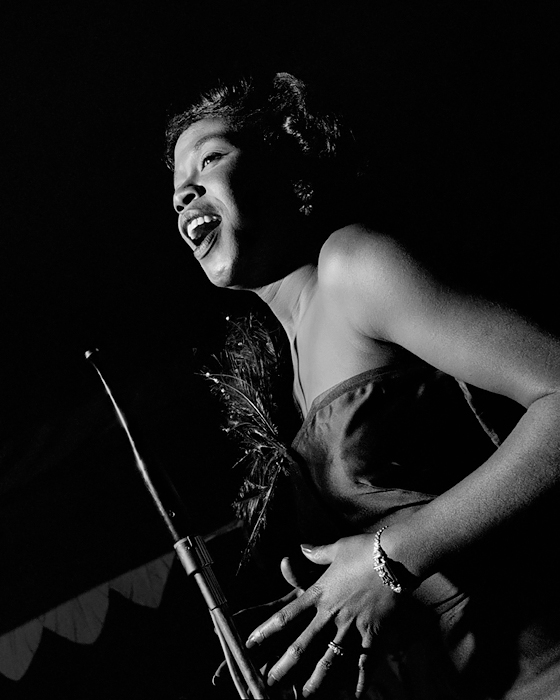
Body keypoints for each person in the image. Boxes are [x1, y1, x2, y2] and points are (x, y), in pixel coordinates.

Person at [167, 72, 560, 699]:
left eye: (210, 159)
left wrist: (391, 557)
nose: (187, 194)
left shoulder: (353, 267)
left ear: (285, 165)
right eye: (178, 191)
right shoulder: (283, 378)